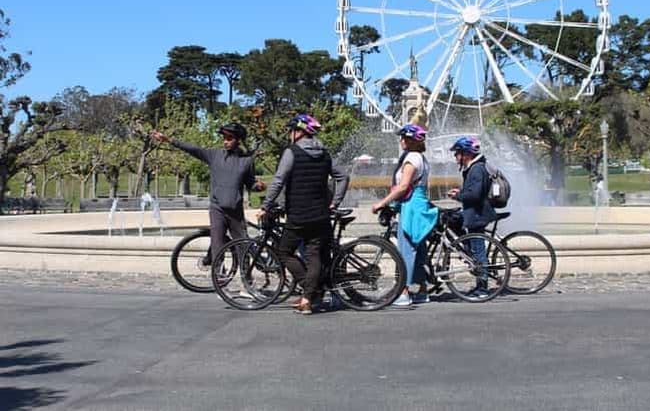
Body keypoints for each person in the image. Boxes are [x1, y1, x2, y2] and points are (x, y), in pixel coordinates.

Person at [256, 114, 349, 315]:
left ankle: (309, 290)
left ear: (298, 132)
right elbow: (343, 176)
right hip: (321, 214)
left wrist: (266, 205)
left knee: (284, 252)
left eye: (291, 130)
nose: (290, 134)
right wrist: (335, 202)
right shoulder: (324, 153)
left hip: (299, 214)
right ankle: (308, 297)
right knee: (314, 254)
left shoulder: (292, 152)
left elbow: (279, 180)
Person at [151, 123, 265, 264]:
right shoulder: (214, 155)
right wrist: (168, 140)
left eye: (229, 138)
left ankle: (247, 278)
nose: (225, 141)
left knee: (243, 246)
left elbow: (250, 183)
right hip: (217, 208)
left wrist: (258, 187)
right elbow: (193, 149)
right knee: (217, 244)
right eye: (224, 138)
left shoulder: (247, 161)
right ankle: (219, 277)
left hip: (235, 210)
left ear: (238, 140)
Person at [371, 123, 438, 307]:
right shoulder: (421, 158)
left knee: (406, 249)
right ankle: (422, 290)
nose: (400, 141)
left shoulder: (412, 159)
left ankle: (404, 291)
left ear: (410, 140)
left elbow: (403, 187)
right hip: (419, 203)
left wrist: (382, 203)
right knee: (419, 248)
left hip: (411, 206)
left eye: (403, 137)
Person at [447, 136, 497, 298]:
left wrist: (458, 196)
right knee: (453, 220)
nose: (455, 157)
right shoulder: (474, 167)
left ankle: (482, 289)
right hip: (474, 213)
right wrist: (460, 194)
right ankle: (468, 254)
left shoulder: (476, 169)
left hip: (478, 215)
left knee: (478, 251)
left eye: (457, 153)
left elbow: (474, 195)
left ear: (466, 153)